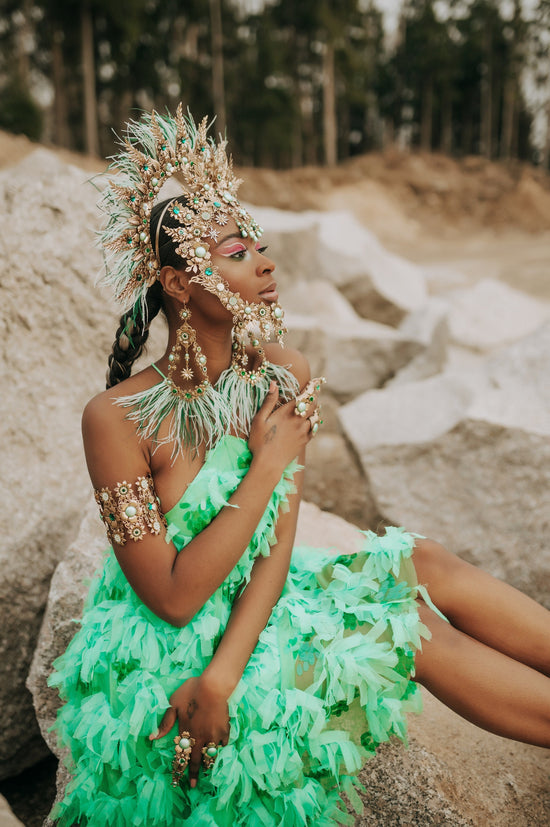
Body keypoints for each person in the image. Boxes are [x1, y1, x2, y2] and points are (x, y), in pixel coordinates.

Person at [48, 106, 550, 827]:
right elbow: (172, 596)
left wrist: (229, 670)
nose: (265, 261)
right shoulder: (116, 417)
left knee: (426, 563)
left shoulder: (285, 372)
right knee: (405, 623)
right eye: (234, 252)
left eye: (258, 244)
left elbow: (276, 549)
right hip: (167, 653)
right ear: (179, 284)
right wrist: (267, 463)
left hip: (256, 609)